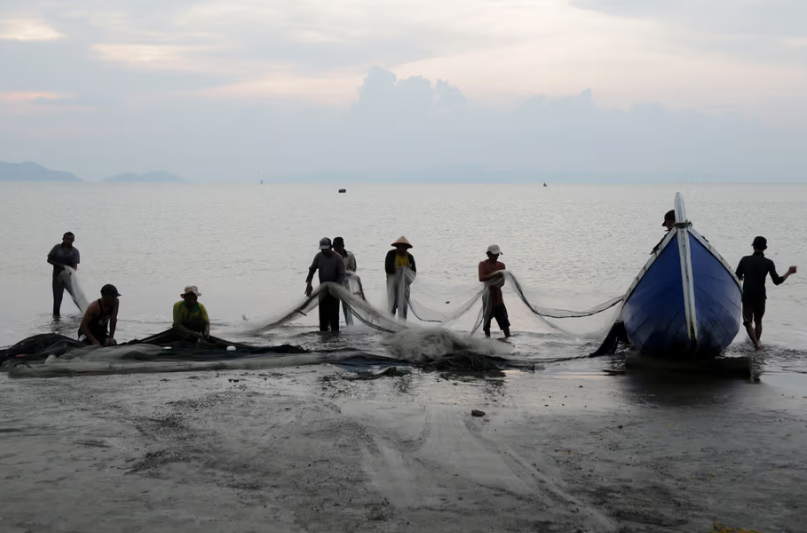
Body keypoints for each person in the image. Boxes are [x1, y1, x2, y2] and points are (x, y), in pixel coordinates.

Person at [735, 236, 797, 350]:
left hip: (748, 295)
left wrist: (744, 277)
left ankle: (756, 344)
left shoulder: (744, 260)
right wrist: (789, 272)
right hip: (760, 296)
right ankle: (757, 344)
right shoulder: (768, 263)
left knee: (747, 321)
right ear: (765, 248)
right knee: (758, 321)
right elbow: (777, 281)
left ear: (753, 246)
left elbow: (736, 276)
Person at [305, 237, 346, 332]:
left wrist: (334, 286)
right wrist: (309, 284)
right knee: (323, 316)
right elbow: (312, 269)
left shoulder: (338, 258)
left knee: (334, 316)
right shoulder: (319, 256)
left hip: (334, 292)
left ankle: (335, 337)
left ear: (330, 247)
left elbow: (342, 275)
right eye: (322, 249)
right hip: (323, 291)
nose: (324, 251)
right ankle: (324, 337)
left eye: (325, 249)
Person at [478, 244, 511, 338]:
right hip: (487, 296)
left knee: (504, 321)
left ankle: (508, 339)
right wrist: (495, 275)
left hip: (498, 296)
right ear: (488, 254)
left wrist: (497, 285)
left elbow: (503, 282)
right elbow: (481, 278)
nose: (496, 256)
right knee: (487, 320)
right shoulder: (482, 264)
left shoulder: (501, 265)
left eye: (497, 254)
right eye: (494, 254)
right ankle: (488, 340)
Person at [47, 231, 80, 316]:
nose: (69, 241)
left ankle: (86, 314)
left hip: (69, 278)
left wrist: (68, 272)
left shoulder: (75, 251)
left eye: (71, 239)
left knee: (76, 297)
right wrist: (60, 265)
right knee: (57, 300)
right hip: (57, 277)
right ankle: (56, 320)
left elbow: (75, 266)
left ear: (73, 240)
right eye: (67, 239)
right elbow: (49, 259)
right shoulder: (57, 248)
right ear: (63, 239)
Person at [385, 236, 416, 319]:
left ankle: (402, 325)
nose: (401, 249)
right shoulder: (391, 254)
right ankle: (390, 325)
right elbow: (388, 269)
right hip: (392, 284)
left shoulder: (410, 257)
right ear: (397, 247)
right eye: (400, 247)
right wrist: (402, 269)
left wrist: (406, 281)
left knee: (403, 306)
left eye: (403, 247)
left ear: (406, 248)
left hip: (405, 285)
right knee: (392, 305)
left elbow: (413, 273)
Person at [333, 237, 357, 326]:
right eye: (334, 248)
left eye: (338, 248)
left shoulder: (350, 256)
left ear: (343, 246)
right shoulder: (331, 256)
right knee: (333, 308)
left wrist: (345, 274)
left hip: (345, 284)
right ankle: (332, 327)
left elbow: (353, 269)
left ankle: (350, 326)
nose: (336, 250)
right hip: (334, 284)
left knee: (347, 306)